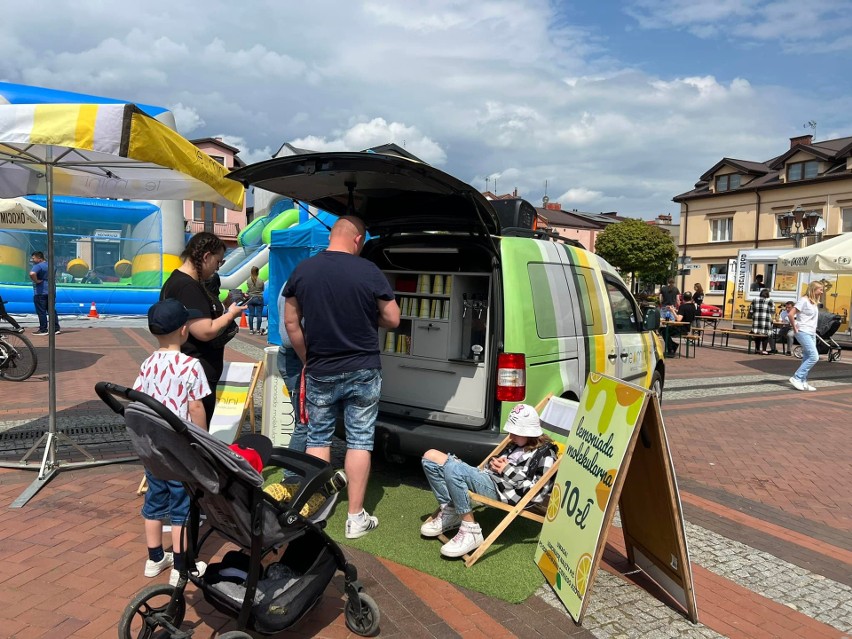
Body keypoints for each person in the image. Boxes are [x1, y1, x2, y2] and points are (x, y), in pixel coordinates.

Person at [283, 216, 400, 539]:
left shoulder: (303, 270)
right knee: (360, 439)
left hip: (321, 367)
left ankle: (316, 510)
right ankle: (356, 517)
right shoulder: (368, 271)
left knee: (317, 438)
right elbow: (392, 318)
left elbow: (291, 323)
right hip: (363, 367)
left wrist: (308, 358)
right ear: (357, 239)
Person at [133, 298, 211, 586]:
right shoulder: (191, 366)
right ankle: (180, 565)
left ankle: (154, 559)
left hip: (153, 447)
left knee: (154, 500)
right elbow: (196, 408)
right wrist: (202, 441)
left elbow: (139, 399)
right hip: (179, 449)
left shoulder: (148, 363)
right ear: (184, 330)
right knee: (181, 505)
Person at [420, 404, 558, 558]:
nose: (510, 436)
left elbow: (536, 494)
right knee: (430, 457)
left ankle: (471, 530)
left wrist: (507, 470)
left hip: (502, 492)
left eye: (514, 433)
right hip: (487, 478)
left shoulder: (546, 455)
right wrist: (494, 463)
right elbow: (489, 466)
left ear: (528, 433)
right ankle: (450, 510)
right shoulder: (517, 444)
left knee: (453, 470)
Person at [160, 232, 247, 425]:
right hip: (197, 370)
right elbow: (204, 331)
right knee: (196, 433)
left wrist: (224, 305)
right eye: (218, 262)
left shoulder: (178, 281)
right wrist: (231, 314)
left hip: (190, 368)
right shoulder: (187, 286)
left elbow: (199, 315)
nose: (218, 268)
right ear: (206, 256)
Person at [277, 284, 306, 453]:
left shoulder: (292, 283)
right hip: (295, 357)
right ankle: (292, 473)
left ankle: (303, 466)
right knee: (305, 420)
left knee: (304, 419)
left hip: (294, 356)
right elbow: (289, 336)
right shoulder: (297, 285)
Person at [788, 281, 823, 391]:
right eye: (820, 289)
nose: (822, 292)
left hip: (811, 332)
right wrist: (794, 327)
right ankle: (796, 378)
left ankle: (803, 381)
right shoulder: (804, 300)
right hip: (803, 331)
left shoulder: (813, 302)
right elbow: (791, 314)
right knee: (814, 356)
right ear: (813, 289)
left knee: (807, 357)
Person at [29, 251, 60, 336]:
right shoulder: (51, 266)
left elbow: (32, 273)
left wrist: (36, 280)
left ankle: (43, 329)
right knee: (51, 310)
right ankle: (55, 328)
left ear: (39, 258)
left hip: (40, 291)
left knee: (41, 311)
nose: (32, 260)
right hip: (51, 290)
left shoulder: (38, 266)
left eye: (33, 258)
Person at [664, 291, 697, 356]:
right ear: (691, 298)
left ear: (683, 298)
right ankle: (673, 346)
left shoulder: (683, 306)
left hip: (680, 329)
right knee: (665, 330)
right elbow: (685, 313)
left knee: (664, 331)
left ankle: (671, 349)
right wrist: (676, 310)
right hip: (687, 329)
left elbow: (678, 319)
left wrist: (672, 311)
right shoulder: (693, 306)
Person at [749, 288, 774, 355]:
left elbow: (751, 310)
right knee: (765, 335)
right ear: (768, 294)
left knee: (757, 335)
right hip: (766, 321)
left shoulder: (754, 300)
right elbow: (773, 311)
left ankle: (757, 350)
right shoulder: (770, 301)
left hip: (756, 321)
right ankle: (764, 350)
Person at [245, 266, 265, 335]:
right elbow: (262, 289)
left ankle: (251, 330)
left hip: (251, 298)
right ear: (258, 272)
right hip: (259, 298)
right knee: (259, 315)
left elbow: (249, 289)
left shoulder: (248, 280)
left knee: (251, 314)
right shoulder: (261, 281)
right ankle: (258, 330)